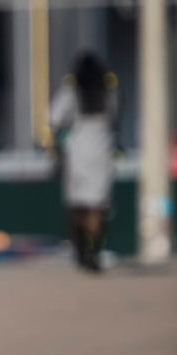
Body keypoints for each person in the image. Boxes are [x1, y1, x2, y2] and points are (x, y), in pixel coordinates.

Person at [49, 51, 117, 272]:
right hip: (101, 150)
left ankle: (80, 252)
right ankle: (94, 251)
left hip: (77, 151)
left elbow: (53, 118)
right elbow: (116, 116)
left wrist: (57, 143)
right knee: (96, 206)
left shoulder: (71, 93)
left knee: (77, 205)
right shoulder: (109, 93)